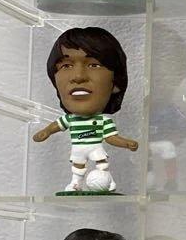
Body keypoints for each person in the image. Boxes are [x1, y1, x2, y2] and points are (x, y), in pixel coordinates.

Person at [33, 26, 138, 193]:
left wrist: (126, 143)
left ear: (116, 83)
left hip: (95, 149)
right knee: (78, 165)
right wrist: (45, 132)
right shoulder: (70, 120)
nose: (78, 76)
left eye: (94, 65)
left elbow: (111, 138)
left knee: (102, 163)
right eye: (66, 66)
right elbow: (56, 126)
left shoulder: (103, 121)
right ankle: (76, 184)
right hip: (79, 150)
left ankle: (106, 180)